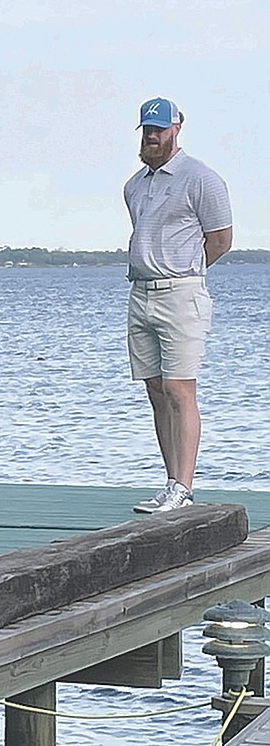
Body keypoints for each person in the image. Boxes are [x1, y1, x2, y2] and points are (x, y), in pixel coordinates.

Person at [124, 98, 232, 514]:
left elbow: (220, 240)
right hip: (140, 293)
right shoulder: (134, 184)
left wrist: (184, 273)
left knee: (178, 388)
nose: (153, 136)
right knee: (155, 389)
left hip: (181, 293)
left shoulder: (201, 178)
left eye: (160, 129)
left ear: (177, 128)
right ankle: (171, 483)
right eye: (147, 130)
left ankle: (183, 488)